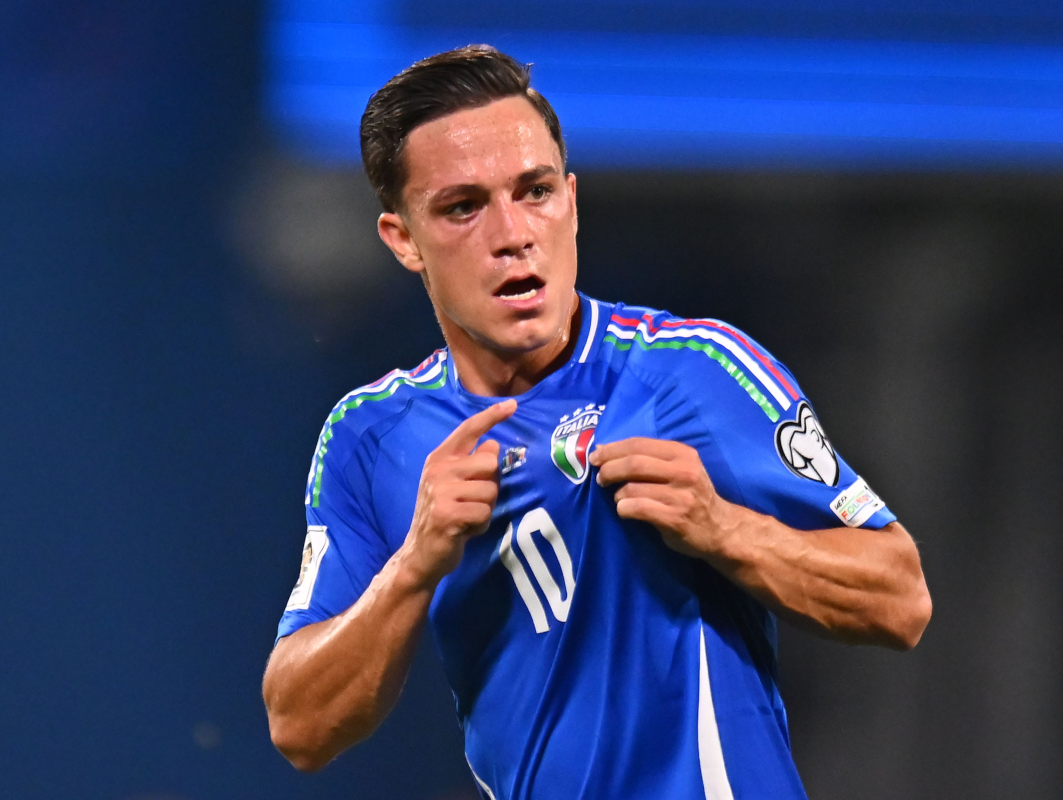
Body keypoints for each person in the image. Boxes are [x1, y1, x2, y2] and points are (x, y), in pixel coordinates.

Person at [262, 45, 931, 799]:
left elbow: (898, 595)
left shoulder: (690, 370)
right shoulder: (372, 437)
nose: (512, 233)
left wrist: (722, 527)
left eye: (535, 191)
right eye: (462, 207)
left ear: (571, 202)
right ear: (403, 239)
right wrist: (414, 564)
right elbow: (299, 723)